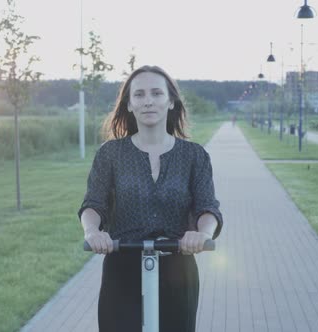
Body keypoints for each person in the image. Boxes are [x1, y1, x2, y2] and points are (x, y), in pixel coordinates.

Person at [78, 65, 223, 332]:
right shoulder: (110, 154)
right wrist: (92, 231)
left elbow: (207, 208)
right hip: (123, 266)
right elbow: (93, 204)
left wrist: (202, 234)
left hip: (178, 268)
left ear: (171, 102)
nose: (148, 101)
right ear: (129, 104)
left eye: (156, 93)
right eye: (139, 95)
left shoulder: (194, 155)